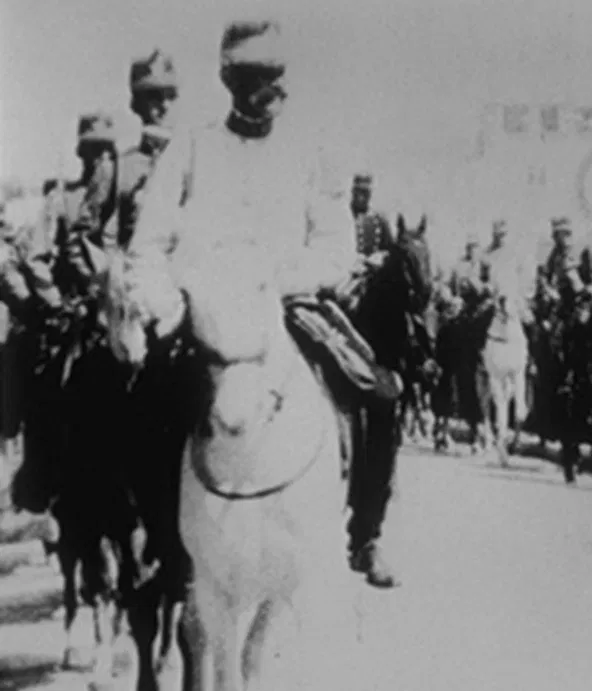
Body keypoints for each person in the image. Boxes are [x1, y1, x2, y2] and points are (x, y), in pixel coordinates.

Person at [128, 18, 404, 588]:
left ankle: (364, 534)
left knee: (378, 393)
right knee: (146, 397)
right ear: (229, 79)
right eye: (258, 77)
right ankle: (164, 546)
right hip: (202, 311)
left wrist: (282, 279)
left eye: (278, 75)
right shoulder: (191, 147)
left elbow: (335, 247)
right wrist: (169, 299)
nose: (274, 90)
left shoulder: (310, 153)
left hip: (287, 305)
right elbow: (148, 242)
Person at [9, 112, 119, 513]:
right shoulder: (62, 199)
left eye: (106, 152)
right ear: (81, 154)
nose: (100, 161)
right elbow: (35, 258)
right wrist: (56, 300)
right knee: (47, 384)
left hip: (123, 307)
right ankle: (41, 478)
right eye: (92, 152)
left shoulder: (128, 194)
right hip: (75, 313)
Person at [113, 49, 180, 249]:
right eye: (155, 97)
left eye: (171, 96)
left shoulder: (193, 164)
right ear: (135, 104)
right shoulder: (120, 170)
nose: (165, 106)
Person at [351, 172, 395, 256]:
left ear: (370, 194)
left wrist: (377, 257)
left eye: (365, 193)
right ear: (353, 192)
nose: (361, 197)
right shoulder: (340, 218)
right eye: (358, 191)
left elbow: (390, 251)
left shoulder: (379, 220)